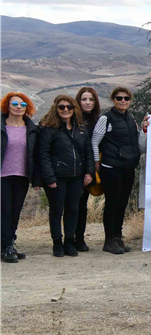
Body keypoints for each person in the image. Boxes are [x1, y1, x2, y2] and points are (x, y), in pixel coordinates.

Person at [37, 95, 94, 258]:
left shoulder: (81, 129)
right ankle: (57, 242)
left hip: (77, 177)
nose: (66, 110)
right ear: (55, 109)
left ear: (74, 109)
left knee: (73, 209)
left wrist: (89, 172)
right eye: (61, 107)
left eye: (69, 107)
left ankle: (69, 241)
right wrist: (50, 178)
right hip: (57, 177)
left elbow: (88, 152)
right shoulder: (49, 129)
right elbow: (43, 155)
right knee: (56, 210)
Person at [92, 86, 144, 255]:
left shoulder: (131, 118)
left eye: (126, 98)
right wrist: (96, 162)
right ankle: (109, 240)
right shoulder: (105, 118)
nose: (123, 101)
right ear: (113, 100)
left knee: (122, 204)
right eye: (119, 98)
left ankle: (118, 237)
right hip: (111, 168)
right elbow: (94, 142)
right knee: (112, 204)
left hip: (128, 168)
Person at [0, 92, 39, 263]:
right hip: (2, 176)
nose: (18, 107)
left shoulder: (31, 129)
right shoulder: (1, 126)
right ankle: (6, 247)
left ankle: (8, 243)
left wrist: (36, 178)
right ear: (7, 106)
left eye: (22, 105)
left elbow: (35, 155)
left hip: (22, 176)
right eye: (14, 104)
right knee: (5, 211)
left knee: (15, 212)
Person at [72, 86, 101, 253]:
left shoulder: (99, 120)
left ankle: (80, 238)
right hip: (73, 167)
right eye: (84, 99)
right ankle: (69, 238)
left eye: (91, 99)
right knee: (72, 205)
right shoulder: (72, 119)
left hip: (90, 168)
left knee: (82, 205)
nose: (88, 102)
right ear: (78, 101)